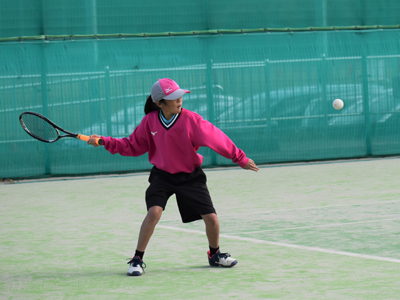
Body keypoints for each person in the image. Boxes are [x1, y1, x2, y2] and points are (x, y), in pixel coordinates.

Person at [88, 78, 259, 276]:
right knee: (154, 213)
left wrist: (239, 158)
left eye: (180, 96)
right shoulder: (150, 121)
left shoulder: (192, 121)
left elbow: (217, 138)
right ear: (159, 103)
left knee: (211, 219)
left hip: (190, 176)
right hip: (162, 176)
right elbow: (132, 146)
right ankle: (137, 259)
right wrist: (103, 141)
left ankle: (215, 255)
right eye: (173, 98)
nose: (179, 100)